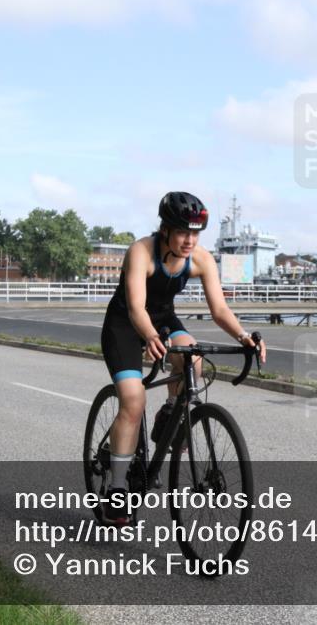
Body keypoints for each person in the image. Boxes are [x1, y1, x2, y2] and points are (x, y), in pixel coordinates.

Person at [99, 191, 266, 525]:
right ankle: (117, 489)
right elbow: (135, 308)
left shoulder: (201, 259)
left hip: (162, 320)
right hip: (126, 325)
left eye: (195, 233)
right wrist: (148, 336)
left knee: (194, 359)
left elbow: (219, 310)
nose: (190, 240)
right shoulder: (141, 252)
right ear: (165, 230)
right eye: (182, 232)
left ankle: (168, 415)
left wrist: (245, 337)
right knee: (133, 401)